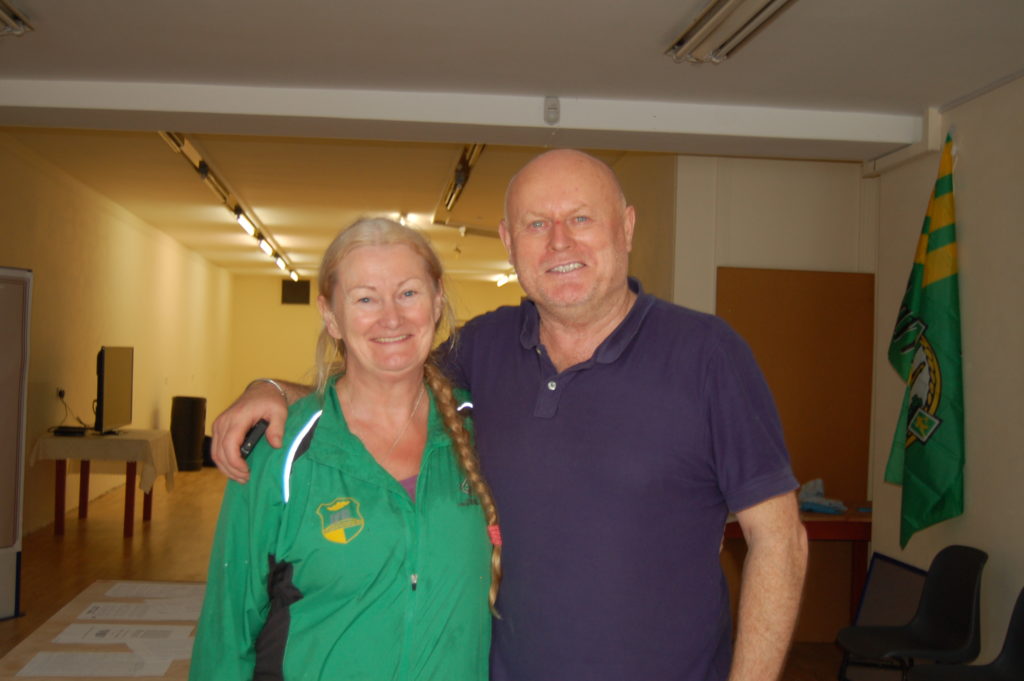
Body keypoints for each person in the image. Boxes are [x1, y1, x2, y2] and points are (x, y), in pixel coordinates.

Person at [211, 150, 808, 681]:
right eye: (536, 224)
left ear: (625, 227)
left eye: (581, 218)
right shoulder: (485, 348)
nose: (559, 242)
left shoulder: (707, 355)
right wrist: (268, 388)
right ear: (508, 239)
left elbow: (780, 542)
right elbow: (383, 375)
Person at [191, 218, 500, 681]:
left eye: (408, 293)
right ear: (330, 315)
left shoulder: (485, 433)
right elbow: (226, 633)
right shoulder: (282, 452)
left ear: (437, 301)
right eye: (365, 299)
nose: (391, 317)